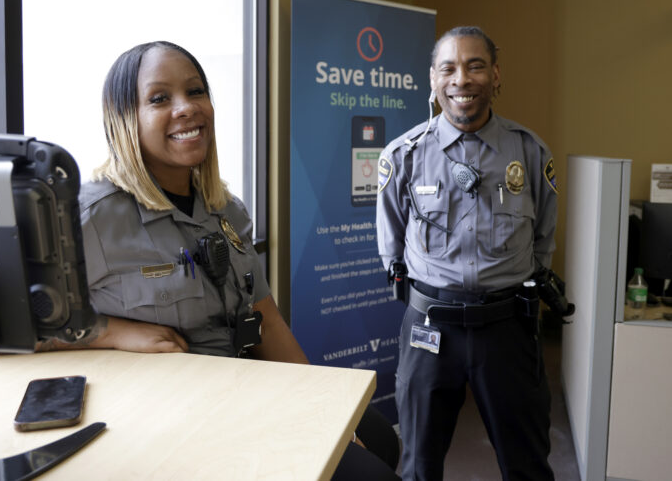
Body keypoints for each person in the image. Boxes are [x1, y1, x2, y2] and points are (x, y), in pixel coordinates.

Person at [38, 40, 400, 479]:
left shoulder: (226, 209)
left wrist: (321, 405)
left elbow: (263, 317)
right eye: (159, 99)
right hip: (172, 416)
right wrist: (112, 333)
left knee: (381, 438)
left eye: (195, 92)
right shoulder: (88, 217)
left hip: (240, 385)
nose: (186, 108)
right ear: (124, 119)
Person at [376, 26, 558, 480]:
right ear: (433, 79)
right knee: (418, 465)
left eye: (475, 66)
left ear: (495, 76)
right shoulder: (404, 156)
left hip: (507, 330)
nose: (462, 79)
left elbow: (544, 242)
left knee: (528, 465)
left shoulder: (530, 154)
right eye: (449, 68)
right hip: (429, 328)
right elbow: (392, 244)